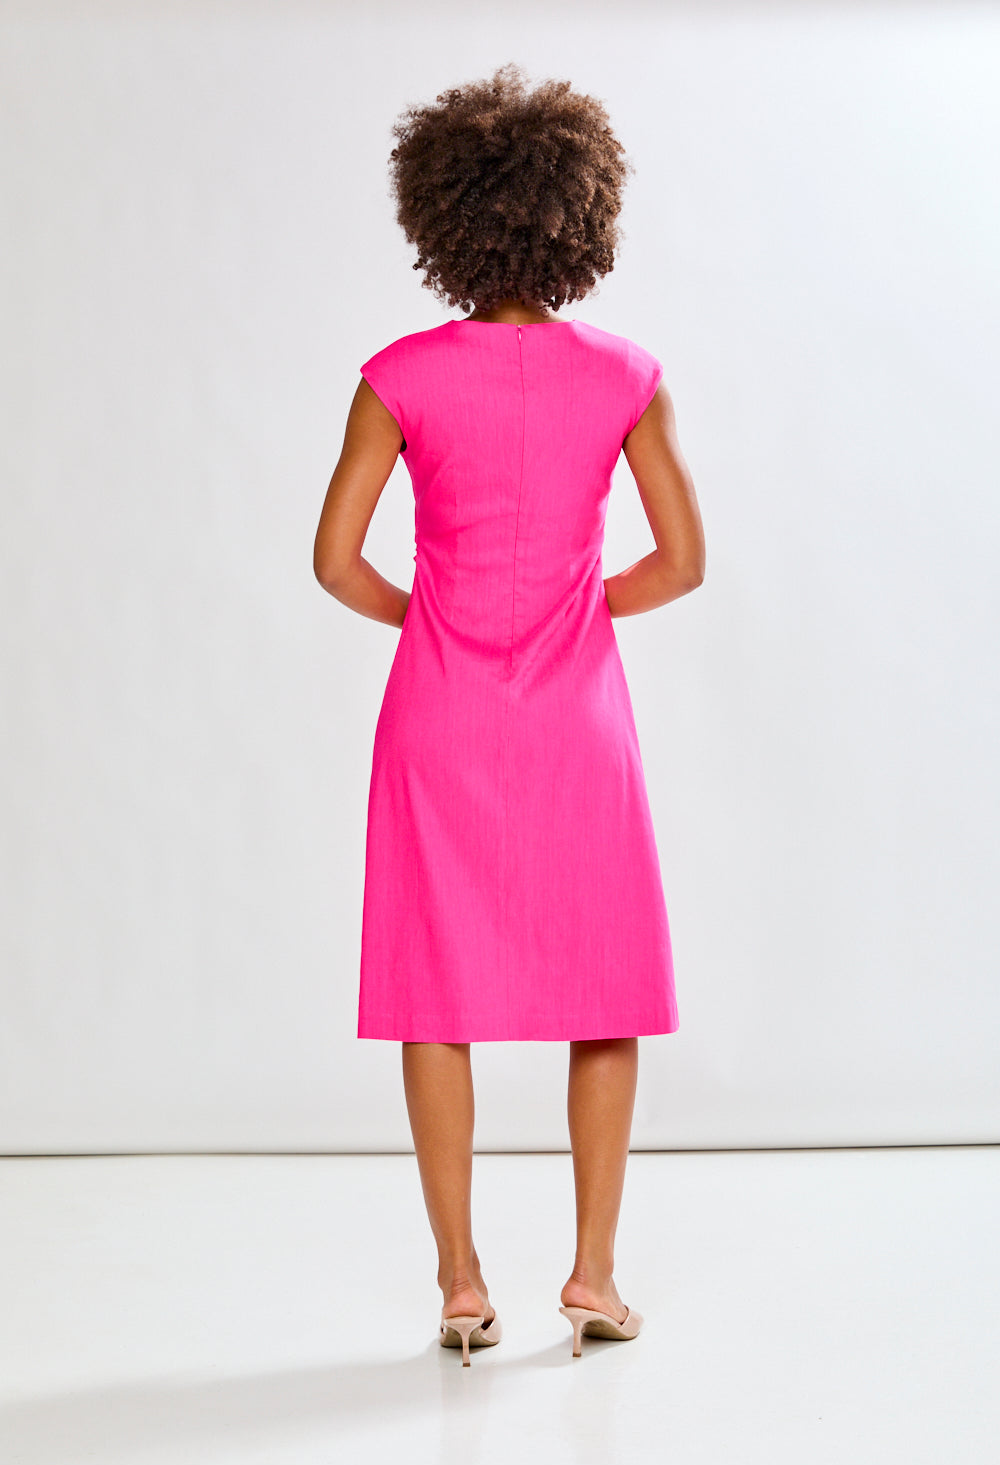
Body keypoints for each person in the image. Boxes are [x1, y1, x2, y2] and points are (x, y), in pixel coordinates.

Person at [313, 62, 705, 1367]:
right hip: (579, 722)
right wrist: (580, 609)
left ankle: (463, 1284)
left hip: (440, 718)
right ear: (577, 219)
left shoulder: (400, 374)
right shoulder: (626, 372)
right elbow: (684, 560)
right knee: (607, 995)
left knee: (438, 995)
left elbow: (334, 559)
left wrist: (434, 618)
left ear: (446, 219)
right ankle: (593, 1276)